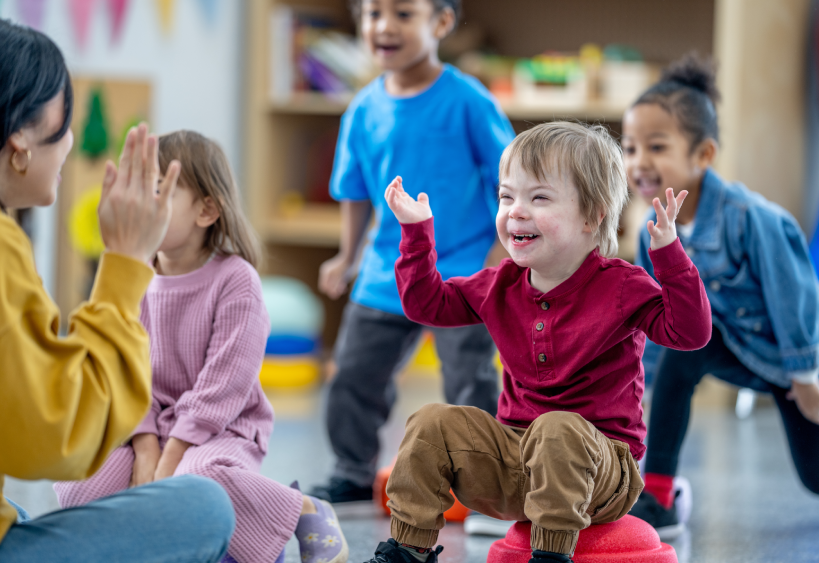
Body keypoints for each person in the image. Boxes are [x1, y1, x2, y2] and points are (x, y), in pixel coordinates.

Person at [360, 121, 712, 563]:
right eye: (507, 197)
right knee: (431, 421)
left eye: (538, 197)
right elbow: (426, 305)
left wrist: (669, 256)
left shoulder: (622, 285)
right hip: (517, 464)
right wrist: (416, 234)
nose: (516, 211)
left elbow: (691, 332)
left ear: (592, 215)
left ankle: (550, 556)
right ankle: (408, 549)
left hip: (602, 471)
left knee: (557, 427)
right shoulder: (500, 284)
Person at [0, 19, 235, 563]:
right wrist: (124, 265)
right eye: (62, 125)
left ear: (208, 211)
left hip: (198, 446)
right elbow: (58, 436)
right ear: (19, 144)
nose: (71, 142)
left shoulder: (235, 281)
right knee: (202, 508)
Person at [54, 131, 348, 563]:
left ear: (206, 210)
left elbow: (224, 386)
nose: (142, 205)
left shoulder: (236, 281)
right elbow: (125, 373)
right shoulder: (136, 278)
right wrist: (146, 445)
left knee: (194, 483)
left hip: (223, 430)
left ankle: (301, 509)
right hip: (150, 428)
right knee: (80, 485)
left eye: (160, 192)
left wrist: (170, 454)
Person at [310, 0, 515, 506]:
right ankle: (352, 469)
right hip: (386, 274)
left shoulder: (469, 100)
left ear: (441, 23)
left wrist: (499, 251)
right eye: (372, 13)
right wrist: (346, 256)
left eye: (403, 13)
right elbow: (354, 190)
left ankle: (485, 483)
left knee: (470, 382)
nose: (384, 26)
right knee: (352, 375)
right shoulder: (362, 108)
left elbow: (510, 177)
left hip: (463, 272)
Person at [623, 55, 819, 539]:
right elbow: (653, 311)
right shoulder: (652, 229)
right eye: (629, 148)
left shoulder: (751, 218)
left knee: (815, 479)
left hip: (788, 356)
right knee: (675, 364)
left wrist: (805, 373)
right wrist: (639, 384)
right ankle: (659, 496)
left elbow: (793, 293)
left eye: (656, 146)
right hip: (727, 346)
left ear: (703, 155)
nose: (638, 162)